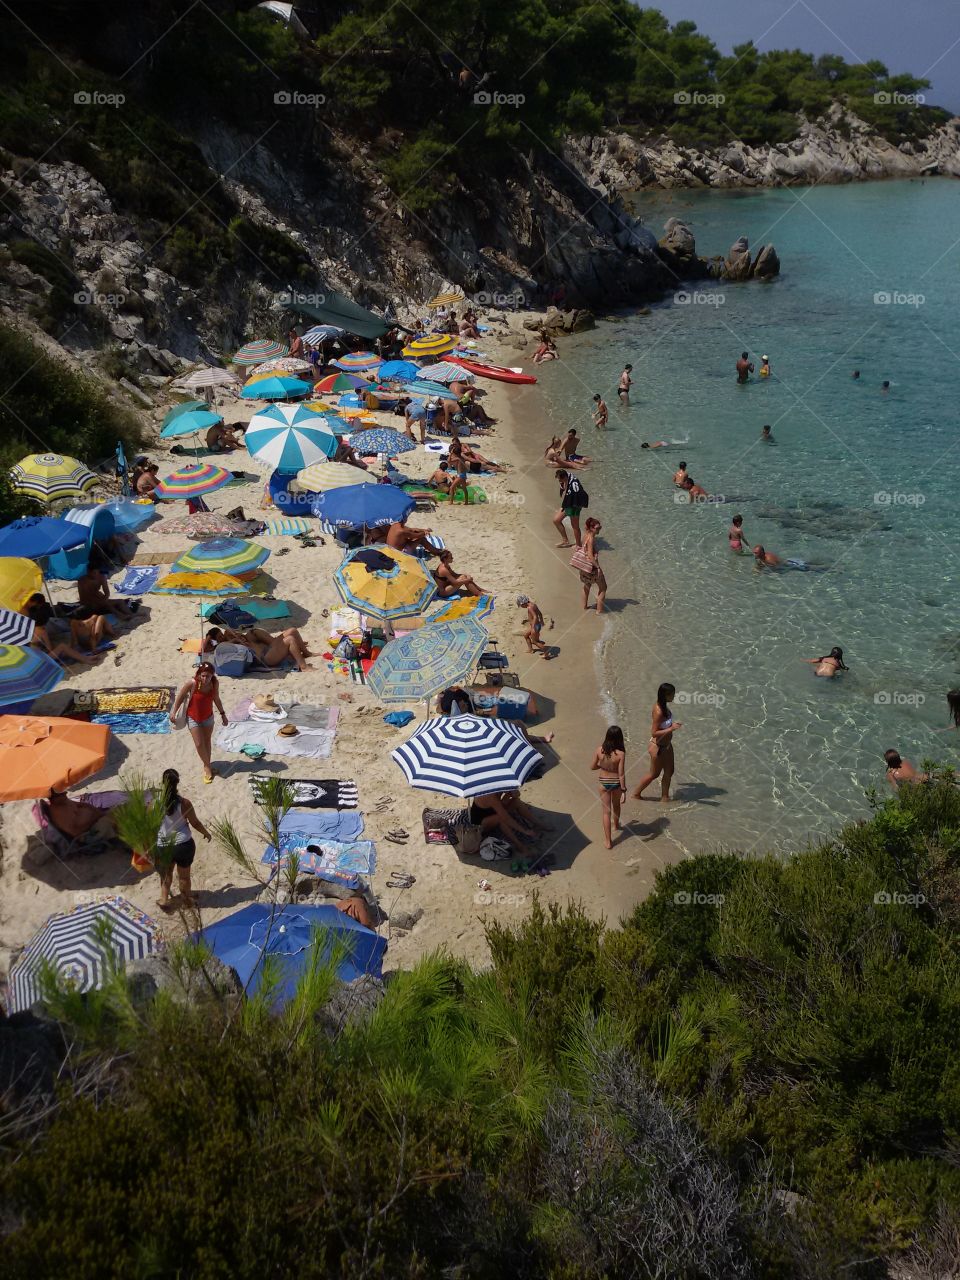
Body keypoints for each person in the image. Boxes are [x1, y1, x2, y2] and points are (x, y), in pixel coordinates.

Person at [155, 768, 211, 911]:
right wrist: (206, 833)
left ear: (163, 782)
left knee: (166, 873)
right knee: (184, 877)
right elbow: (195, 823)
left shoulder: (154, 803)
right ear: (177, 782)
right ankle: (187, 900)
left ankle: (164, 899)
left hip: (164, 845)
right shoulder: (184, 803)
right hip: (183, 844)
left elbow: (151, 824)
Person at [171, 662, 229, 783]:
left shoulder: (214, 683)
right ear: (199, 674)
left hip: (208, 717)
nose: (205, 679)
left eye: (208, 676)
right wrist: (173, 712)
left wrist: (223, 714)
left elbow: (216, 698)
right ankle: (208, 766)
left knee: (207, 741)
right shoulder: (192, 683)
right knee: (198, 743)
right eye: (202, 675)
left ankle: (207, 764)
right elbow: (180, 697)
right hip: (193, 717)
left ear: (212, 675)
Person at [632, 683, 680, 802]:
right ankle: (636, 794)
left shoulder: (664, 707)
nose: (674, 696)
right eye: (672, 694)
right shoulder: (658, 711)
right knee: (654, 774)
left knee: (670, 771)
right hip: (658, 747)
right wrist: (671, 728)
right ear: (665, 695)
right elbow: (654, 733)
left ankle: (665, 797)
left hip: (667, 745)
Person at [468, 789, 547, 852]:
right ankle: (519, 845)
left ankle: (538, 823)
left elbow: (511, 797)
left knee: (516, 802)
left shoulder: (498, 787)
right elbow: (506, 818)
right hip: (480, 823)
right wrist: (524, 831)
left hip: (493, 810)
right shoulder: (488, 795)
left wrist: (512, 793)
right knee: (500, 818)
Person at [591, 725, 626, 849]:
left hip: (603, 783)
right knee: (616, 806)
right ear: (620, 738)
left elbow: (592, 767)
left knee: (606, 812)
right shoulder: (621, 754)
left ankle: (608, 842)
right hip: (616, 783)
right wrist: (624, 790)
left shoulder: (599, 750)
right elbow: (621, 773)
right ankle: (616, 826)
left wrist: (602, 766)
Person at [553, 469, 588, 547]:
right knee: (556, 520)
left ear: (565, 477)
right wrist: (562, 488)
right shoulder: (566, 474)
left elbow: (578, 496)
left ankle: (578, 546)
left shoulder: (574, 485)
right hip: (568, 502)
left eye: (560, 479)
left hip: (576, 503)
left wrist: (573, 510)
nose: (559, 481)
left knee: (575, 526)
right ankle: (565, 541)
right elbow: (563, 485)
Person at [578, 516, 607, 613]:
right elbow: (590, 555)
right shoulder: (591, 539)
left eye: (600, 527)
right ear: (591, 528)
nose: (599, 530)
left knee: (587, 585)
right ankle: (599, 611)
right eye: (597, 528)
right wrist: (598, 567)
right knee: (603, 588)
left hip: (584, 567)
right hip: (592, 568)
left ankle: (584, 607)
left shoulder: (585, 535)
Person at [517, 594, 552, 659]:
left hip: (535, 626)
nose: (521, 607)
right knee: (526, 635)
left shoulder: (530, 608)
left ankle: (546, 653)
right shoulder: (533, 605)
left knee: (535, 641)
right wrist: (542, 621)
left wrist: (533, 627)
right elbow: (540, 614)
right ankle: (531, 650)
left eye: (521, 605)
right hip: (536, 625)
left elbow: (535, 617)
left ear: (523, 603)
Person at [446, 440, 470, 504]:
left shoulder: (457, 459)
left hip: (460, 475)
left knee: (451, 487)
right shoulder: (461, 458)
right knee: (464, 489)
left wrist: (450, 453)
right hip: (463, 475)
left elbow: (448, 461)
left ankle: (451, 502)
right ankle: (466, 502)